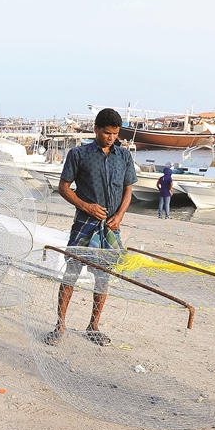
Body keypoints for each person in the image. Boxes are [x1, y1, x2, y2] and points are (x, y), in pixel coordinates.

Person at [45, 107, 136, 347]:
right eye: (106, 133)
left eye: (115, 134)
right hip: (84, 223)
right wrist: (86, 206)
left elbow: (128, 190)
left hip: (111, 225)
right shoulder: (79, 154)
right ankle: (59, 325)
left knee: (103, 278)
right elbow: (64, 188)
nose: (111, 138)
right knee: (71, 273)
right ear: (95, 129)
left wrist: (120, 215)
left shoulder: (124, 157)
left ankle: (93, 326)